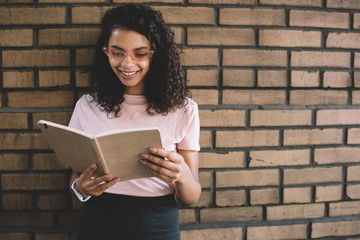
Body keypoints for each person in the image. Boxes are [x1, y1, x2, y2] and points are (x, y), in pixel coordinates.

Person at [68, 4, 201, 240]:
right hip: (98, 220)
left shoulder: (184, 110)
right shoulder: (87, 105)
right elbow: (75, 182)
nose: (127, 64)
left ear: (155, 53)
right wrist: (80, 189)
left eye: (140, 53)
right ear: (105, 51)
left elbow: (191, 198)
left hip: (158, 224)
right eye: (117, 52)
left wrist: (182, 175)